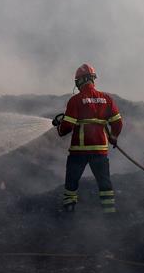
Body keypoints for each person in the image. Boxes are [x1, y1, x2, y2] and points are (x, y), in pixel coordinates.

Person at [51, 63, 123, 213]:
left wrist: (59, 128)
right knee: (104, 183)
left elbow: (67, 127)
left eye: (77, 81)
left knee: (71, 183)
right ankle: (109, 214)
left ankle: (69, 213)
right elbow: (118, 123)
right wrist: (114, 137)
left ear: (81, 80)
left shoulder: (76, 100)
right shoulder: (107, 99)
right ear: (92, 79)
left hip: (79, 151)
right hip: (100, 151)